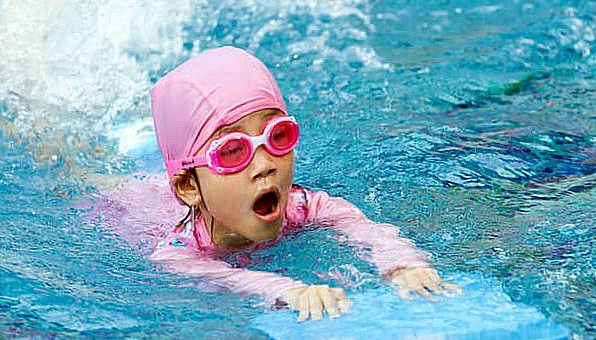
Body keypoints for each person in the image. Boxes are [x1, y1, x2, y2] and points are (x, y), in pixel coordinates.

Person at [97, 46, 460, 321]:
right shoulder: (178, 254)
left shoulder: (304, 206)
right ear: (190, 187)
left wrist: (402, 264)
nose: (264, 165)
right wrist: (287, 290)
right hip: (125, 199)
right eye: (232, 151)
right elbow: (225, 280)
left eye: (277, 136)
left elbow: (362, 228)